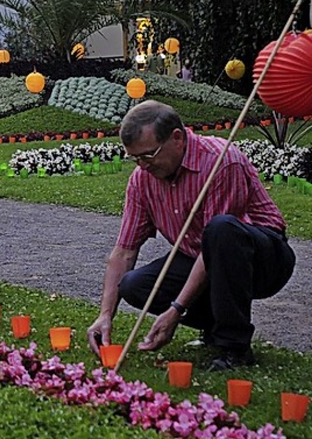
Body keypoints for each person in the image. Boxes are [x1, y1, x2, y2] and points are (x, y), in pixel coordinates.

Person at [86, 100, 295, 371]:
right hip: (199, 255)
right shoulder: (141, 178)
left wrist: (176, 309)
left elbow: (219, 242)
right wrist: (105, 315)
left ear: (177, 138)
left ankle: (234, 346)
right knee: (133, 285)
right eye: (134, 159)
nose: (143, 166)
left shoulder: (221, 161)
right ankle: (213, 324)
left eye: (148, 155)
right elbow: (124, 251)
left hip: (261, 256)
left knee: (221, 230)